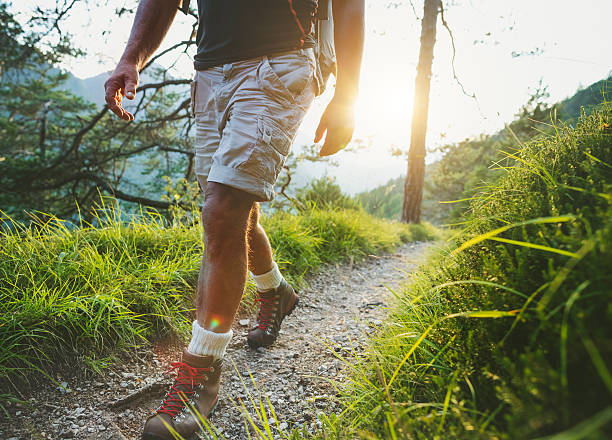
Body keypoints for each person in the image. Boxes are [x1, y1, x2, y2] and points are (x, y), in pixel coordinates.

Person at [104, 0, 364, 438]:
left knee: (222, 210)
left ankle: (200, 375)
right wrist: (131, 57)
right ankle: (276, 291)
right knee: (230, 213)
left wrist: (348, 93)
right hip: (209, 71)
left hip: (281, 62)